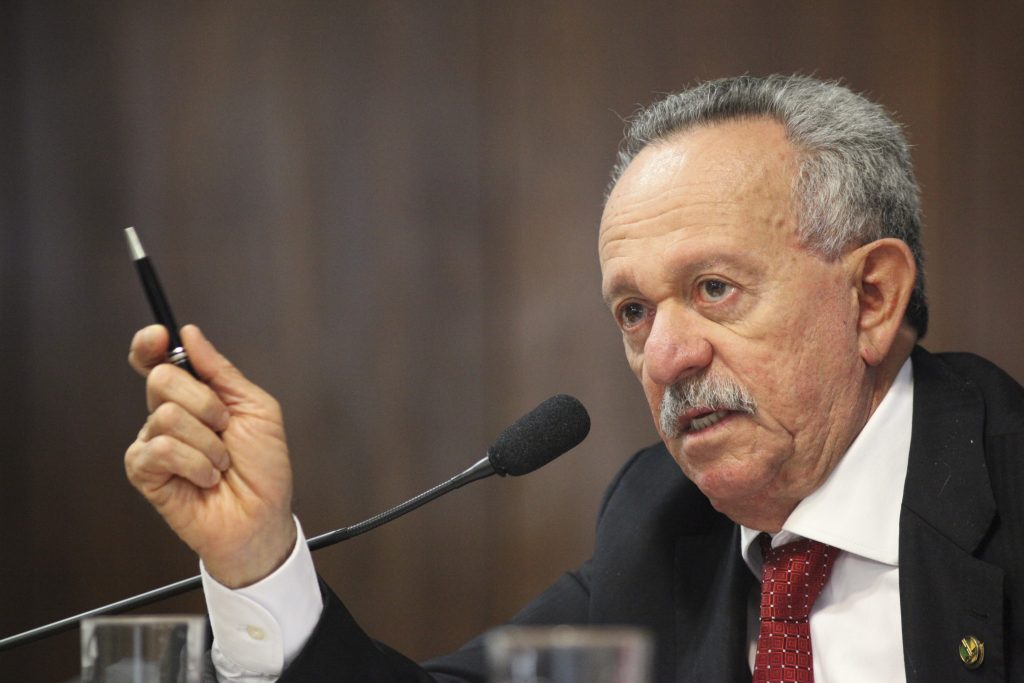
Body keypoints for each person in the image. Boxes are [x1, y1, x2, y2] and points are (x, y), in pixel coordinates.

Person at [125, 75, 1024, 682]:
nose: (666, 357)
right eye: (634, 312)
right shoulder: (659, 521)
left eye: (714, 289)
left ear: (871, 296)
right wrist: (256, 558)